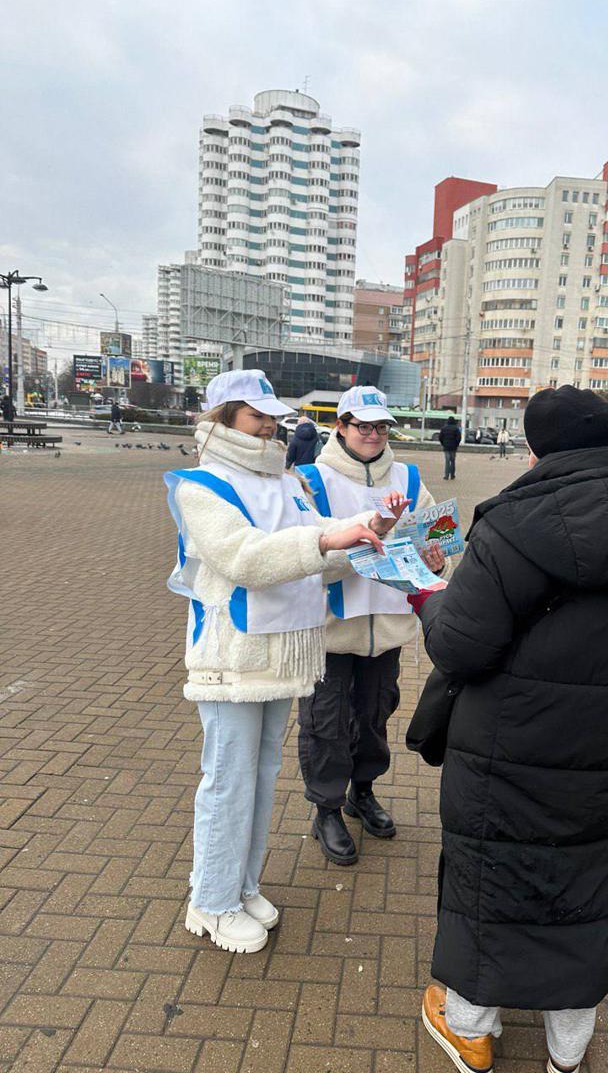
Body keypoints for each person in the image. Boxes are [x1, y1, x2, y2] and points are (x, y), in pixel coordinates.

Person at [409, 386, 608, 1073]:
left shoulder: (506, 528)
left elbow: (459, 649)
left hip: (503, 750)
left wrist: (425, 597)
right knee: (583, 886)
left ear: (535, 449)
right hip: (607, 756)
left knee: (488, 878)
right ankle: (568, 1049)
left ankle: (471, 1032)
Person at [164, 370, 409, 956]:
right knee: (228, 782)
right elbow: (245, 557)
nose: (269, 425)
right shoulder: (200, 485)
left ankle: (241, 886)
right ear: (223, 418)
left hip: (281, 652)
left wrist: (365, 531)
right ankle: (213, 901)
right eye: (256, 416)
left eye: (273, 415)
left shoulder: (283, 481)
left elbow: (316, 542)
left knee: (260, 776)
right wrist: (329, 541)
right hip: (233, 656)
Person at [297, 386, 446, 865]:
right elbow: (303, 556)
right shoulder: (310, 479)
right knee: (326, 723)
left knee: (375, 714)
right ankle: (327, 809)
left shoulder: (408, 475)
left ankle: (363, 792)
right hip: (330, 626)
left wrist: (435, 559)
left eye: (381, 426)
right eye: (363, 426)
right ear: (340, 426)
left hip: (387, 623)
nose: (374, 435)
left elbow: (429, 540)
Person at [438, 415, 462, 480]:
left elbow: (440, 437)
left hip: (446, 447)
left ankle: (446, 476)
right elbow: (459, 438)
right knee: (453, 461)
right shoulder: (456, 429)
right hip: (453, 448)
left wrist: (443, 444)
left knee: (447, 461)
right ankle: (452, 475)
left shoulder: (444, 428)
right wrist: (456, 444)